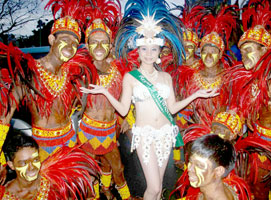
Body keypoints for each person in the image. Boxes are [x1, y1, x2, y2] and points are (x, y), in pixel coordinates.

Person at [80, 0, 217, 199]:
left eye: (153, 49)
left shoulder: (166, 77)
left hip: (165, 135)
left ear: (159, 52)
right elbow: (123, 109)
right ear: (139, 51)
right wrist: (105, 92)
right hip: (145, 136)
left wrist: (196, 95)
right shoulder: (131, 77)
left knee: (159, 187)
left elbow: (172, 108)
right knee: (152, 188)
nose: (149, 54)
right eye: (144, 49)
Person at [224, 0, 271, 199]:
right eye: (242, 51)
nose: (244, 55)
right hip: (258, 149)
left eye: (250, 50)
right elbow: (242, 115)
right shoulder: (247, 81)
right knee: (256, 194)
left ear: (265, 50)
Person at [0, 0, 92, 163]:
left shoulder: (73, 76)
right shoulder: (27, 73)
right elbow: (5, 116)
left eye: (75, 43)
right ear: (51, 39)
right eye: (65, 39)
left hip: (69, 143)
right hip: (42, 148)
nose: (70, 46)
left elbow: (81, 107)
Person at [77, 0, 132, 199]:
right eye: (94, 41)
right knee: (90, 170)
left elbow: (125, 98)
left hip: (109, 131)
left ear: (110, 44)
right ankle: (95, 195)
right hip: (87, 131)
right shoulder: (80, 69)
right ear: (87, 44)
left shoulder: (119, 70)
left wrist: (127, 118)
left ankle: (116, 193)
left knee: (118, 168)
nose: (99, 46)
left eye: (104, 41)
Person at [0, 129, 101, 199]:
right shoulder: (4, 196)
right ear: (11, 165)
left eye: (35, 160)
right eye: (23, 163)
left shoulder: (55, 181)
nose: (31, 168)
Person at [185, 134, 250, 200]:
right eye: (190, 161)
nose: (189, 169)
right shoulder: (212, 189)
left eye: (199, 165)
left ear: (218, 171)